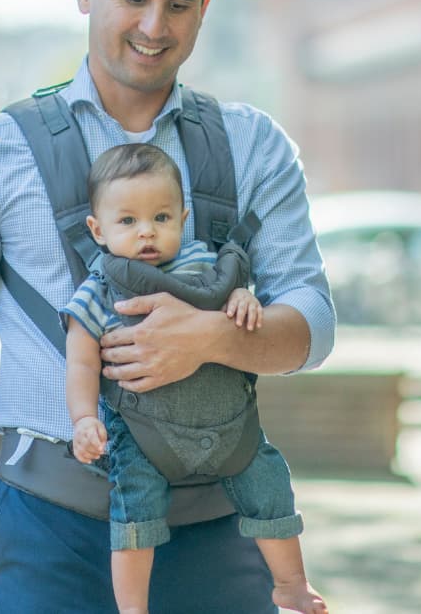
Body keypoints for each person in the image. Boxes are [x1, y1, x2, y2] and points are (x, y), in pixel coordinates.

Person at [0, 0, 335, 614]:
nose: (154, 26)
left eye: (178, 5)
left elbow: (314, 323)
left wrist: (212, 337)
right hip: (50, 531)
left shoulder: (253, 145)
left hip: (219, 529)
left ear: (205, 7)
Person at [64, 143, 326, 614]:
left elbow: (239, 306)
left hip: (231, 428)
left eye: (161, 218)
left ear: (183, 219)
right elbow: (80, 361)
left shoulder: (209, 266)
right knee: (134, 512)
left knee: (270, 485)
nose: (147, 231)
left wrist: (244, 303)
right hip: (143, 435)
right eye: (128, 221)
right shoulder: (99, 289)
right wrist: (84, 419)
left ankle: (291, 583)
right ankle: (133, 608)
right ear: (97, 230)